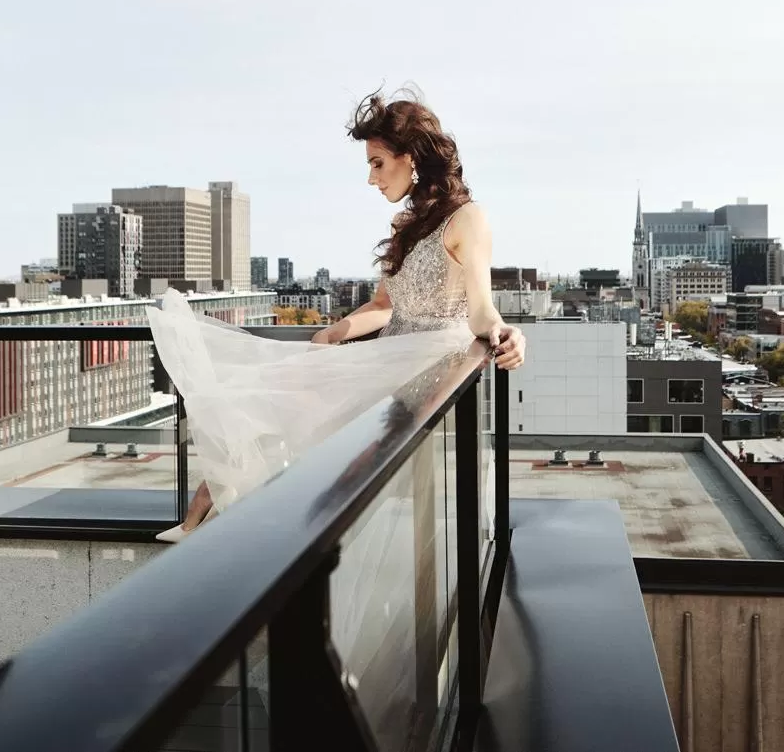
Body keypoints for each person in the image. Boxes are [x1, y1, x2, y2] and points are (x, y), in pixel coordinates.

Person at [149, 88, 525, 543]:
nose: (371, 178)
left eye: (377, 163)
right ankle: (210, 510)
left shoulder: (468, 218)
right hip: (393, 355)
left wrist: (505, 333)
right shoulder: (404, 225)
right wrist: (334, 332)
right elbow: (385, 306)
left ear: (411, 158)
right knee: (274, 390)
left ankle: (216, 515)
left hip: (433, 369)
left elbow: (481, 311)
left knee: (289, 405)